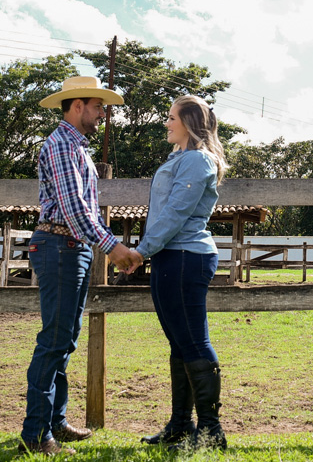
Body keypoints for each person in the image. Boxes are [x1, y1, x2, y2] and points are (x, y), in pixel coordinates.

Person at [21, 76, 143, 457]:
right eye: (98, 106)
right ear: (77, 106)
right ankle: (35, 433)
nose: (103, 114)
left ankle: (54, 422)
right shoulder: (60, 146)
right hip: (59, 246)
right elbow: (75, 209)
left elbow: (81, 211)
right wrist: (113, 246)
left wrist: (100, 246)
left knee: (65, 338)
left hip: (69, 247)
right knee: (54, 340)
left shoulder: (75, 147)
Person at [135, 94, 229, 450]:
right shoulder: (181, 158)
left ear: (189, 123)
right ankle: (179, 426)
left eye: (172, 117)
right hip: (171, 257)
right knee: (179, 344)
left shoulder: (196, 161)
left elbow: (174, 214)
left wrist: (141, 251)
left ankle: (209, 432)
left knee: (193, 342)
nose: (166, 122)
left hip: (186, 257)